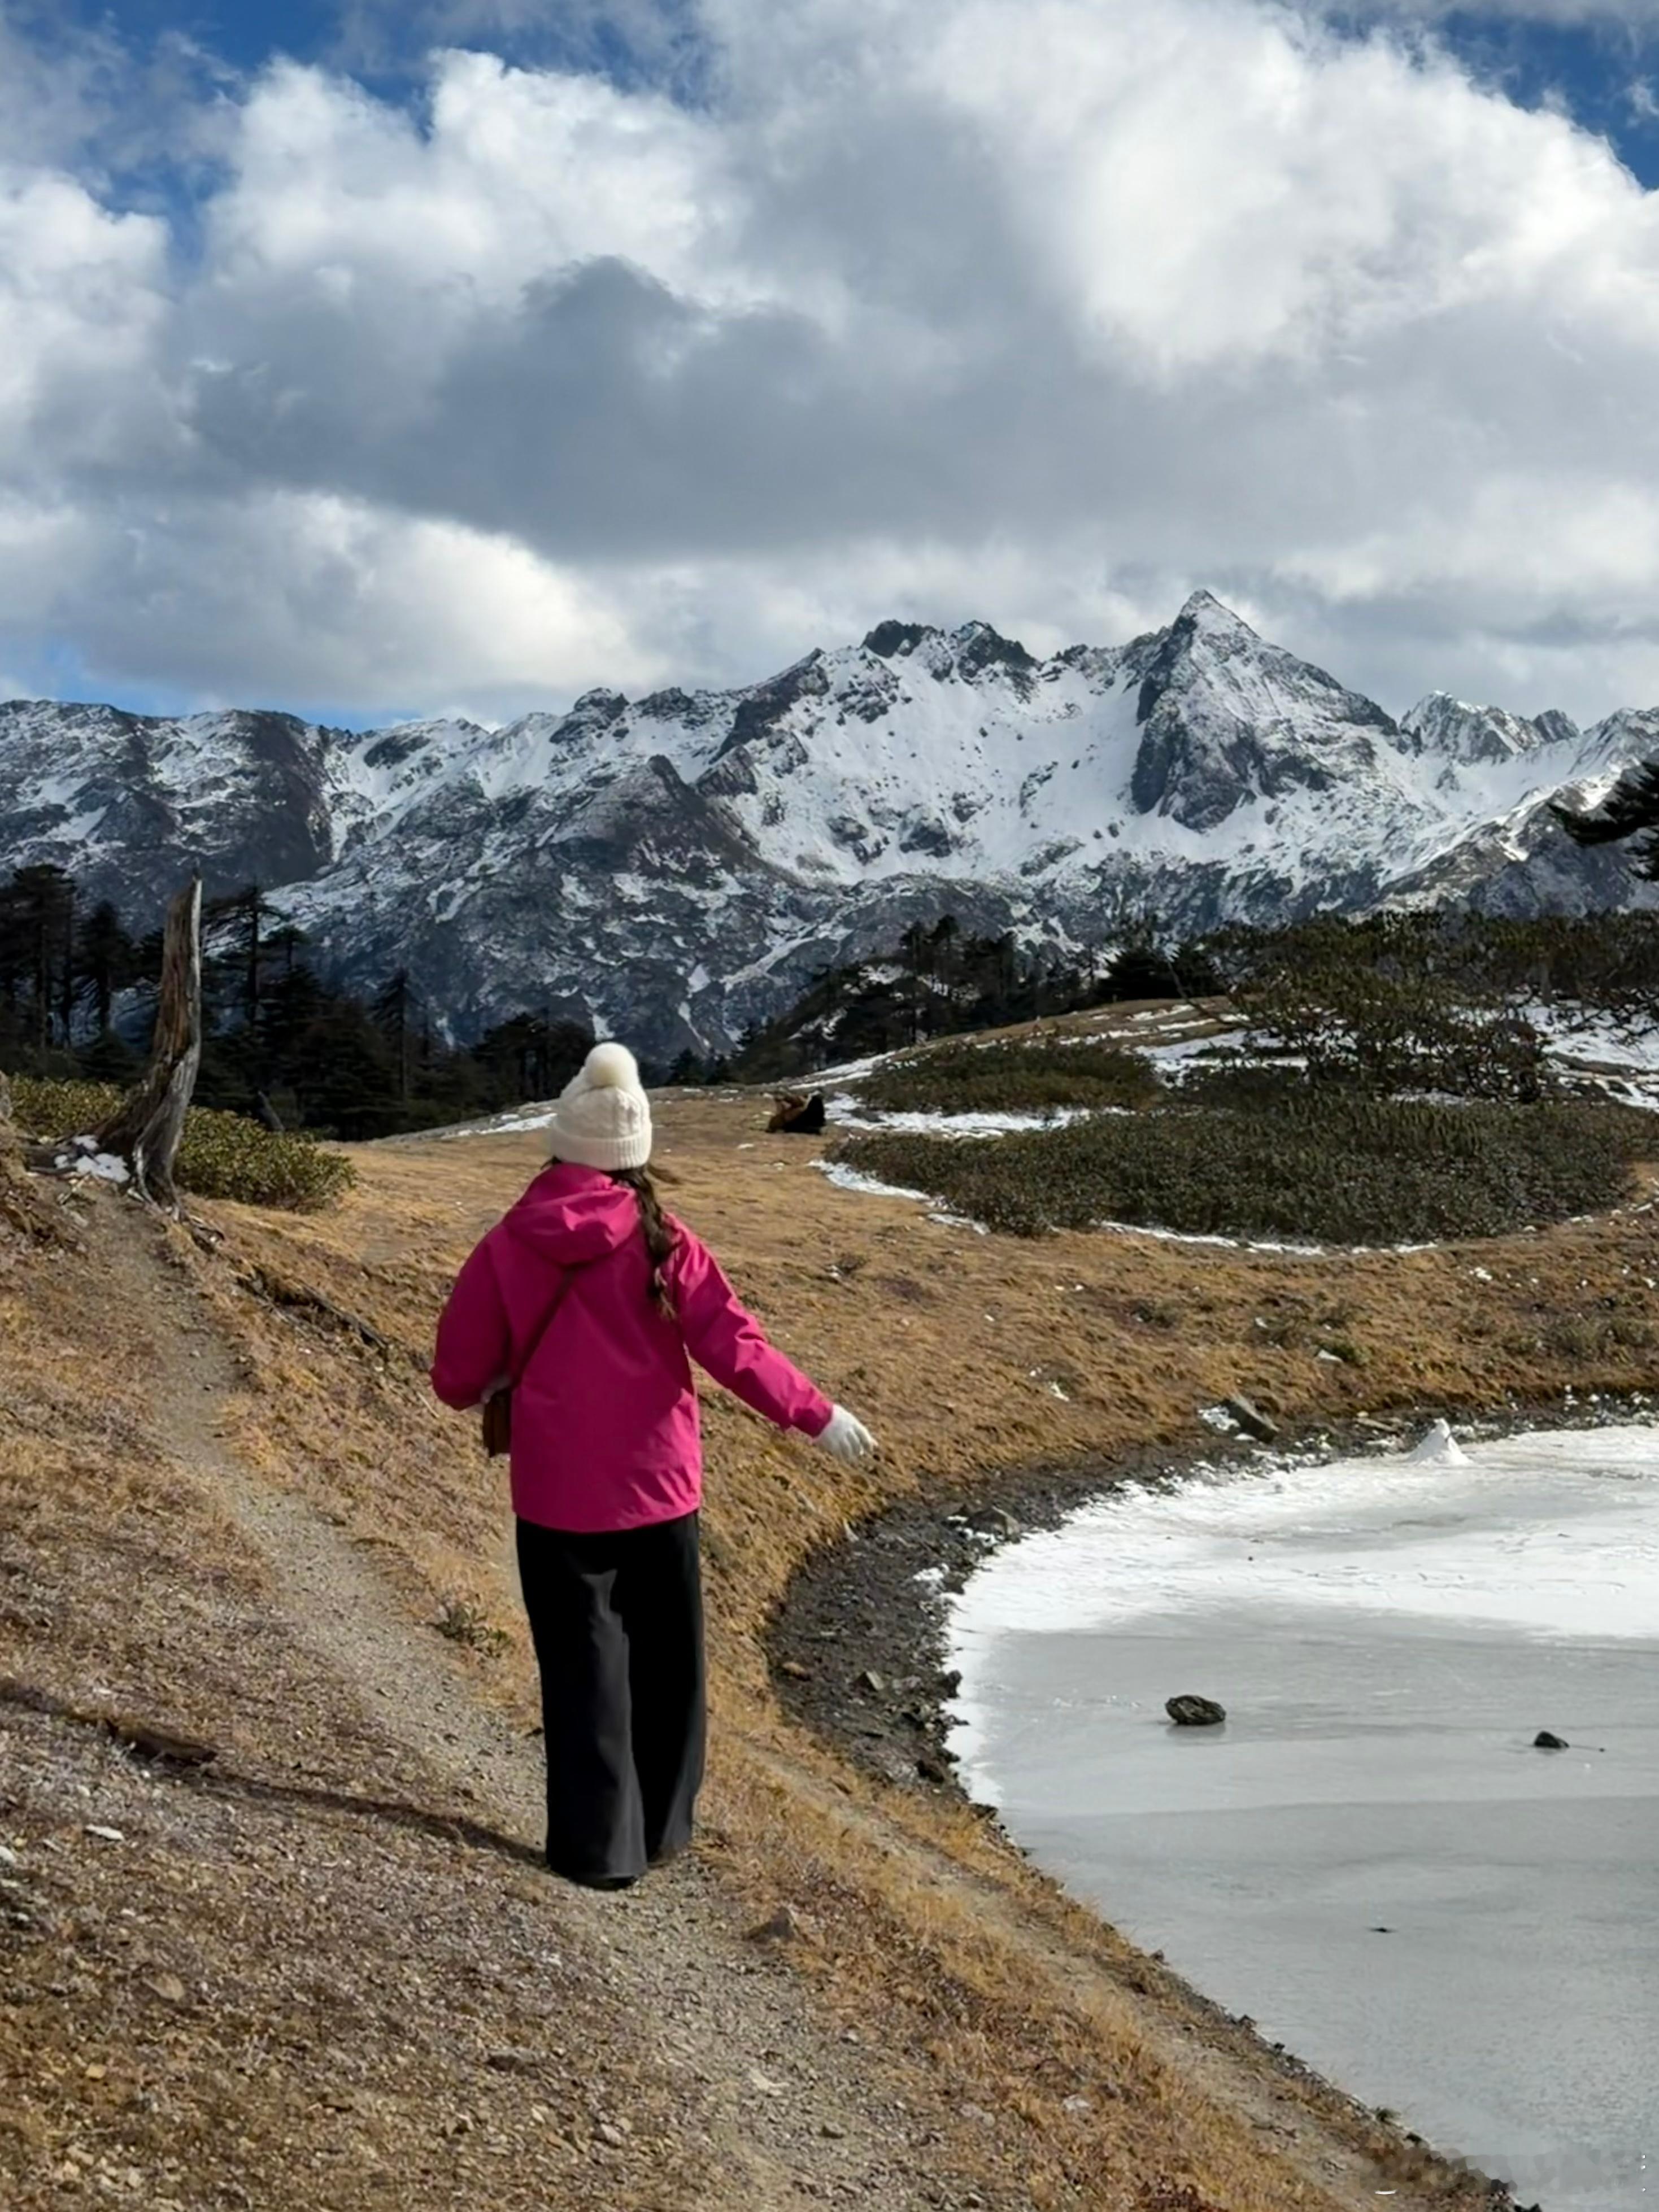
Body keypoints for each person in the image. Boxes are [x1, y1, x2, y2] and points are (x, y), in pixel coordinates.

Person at [430, 1041, 877, 1891]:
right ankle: (666, 1828)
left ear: (560, 1143)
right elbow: (735, 1349)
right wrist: (818, 1415)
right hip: (661, 1487)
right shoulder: (668, 1240)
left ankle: (600, 1850)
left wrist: (502, 1375)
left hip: (557, 1493)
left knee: (581, 1667)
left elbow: (455, 1376)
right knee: (670, 1665)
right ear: (636, 1156)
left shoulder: (508, 1243)